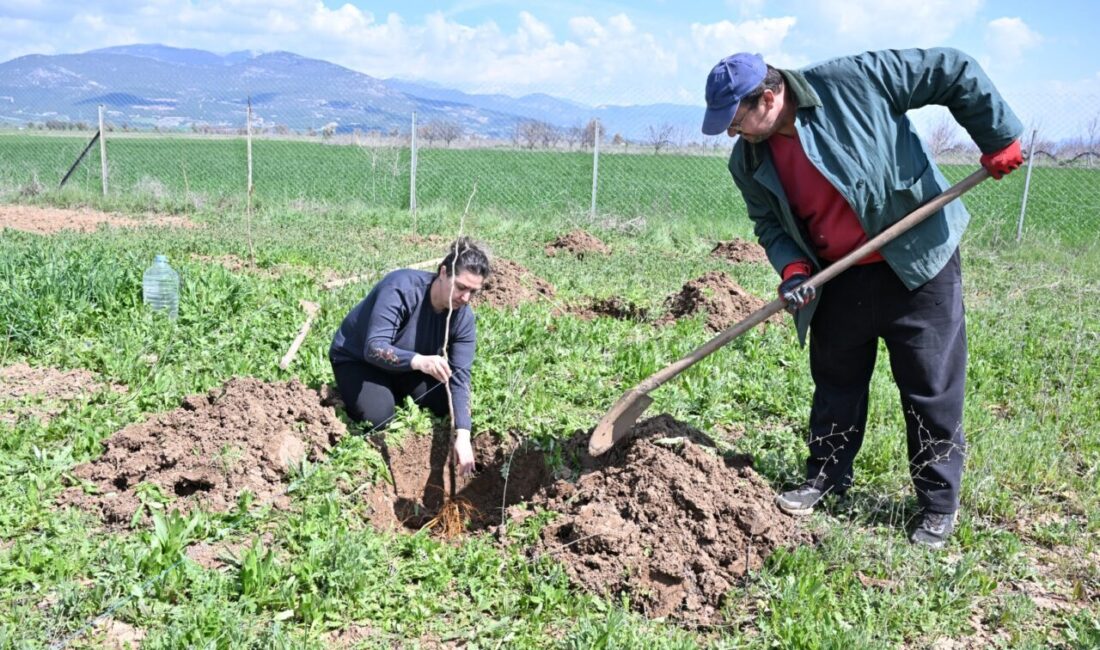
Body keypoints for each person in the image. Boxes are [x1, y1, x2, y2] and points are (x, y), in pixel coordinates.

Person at [701, 48, 1023, 548]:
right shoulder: (749, 161)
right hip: (837, 274)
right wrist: (793, 268)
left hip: (917, 258)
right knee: (836, 382)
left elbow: (951, 69)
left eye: (735, 120)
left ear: (767, 97)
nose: (730, 133)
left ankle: (938, 504)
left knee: (929, 387)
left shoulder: (853, 81)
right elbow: (768, 223)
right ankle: (826, 477)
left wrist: (997, 135)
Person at [329, 237, 491, 477]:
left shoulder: (462, 318)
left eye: (473, 292)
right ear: (443, 272)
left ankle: (394, 388)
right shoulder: (402, 288)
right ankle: (358, 393)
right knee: (379, 417)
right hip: (359, 361)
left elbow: (460, 376)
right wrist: (421, 361)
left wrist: (464, 434)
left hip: (408, 367)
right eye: (461, 287)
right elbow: (374, 347)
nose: (465, 298)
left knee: (444, 403)